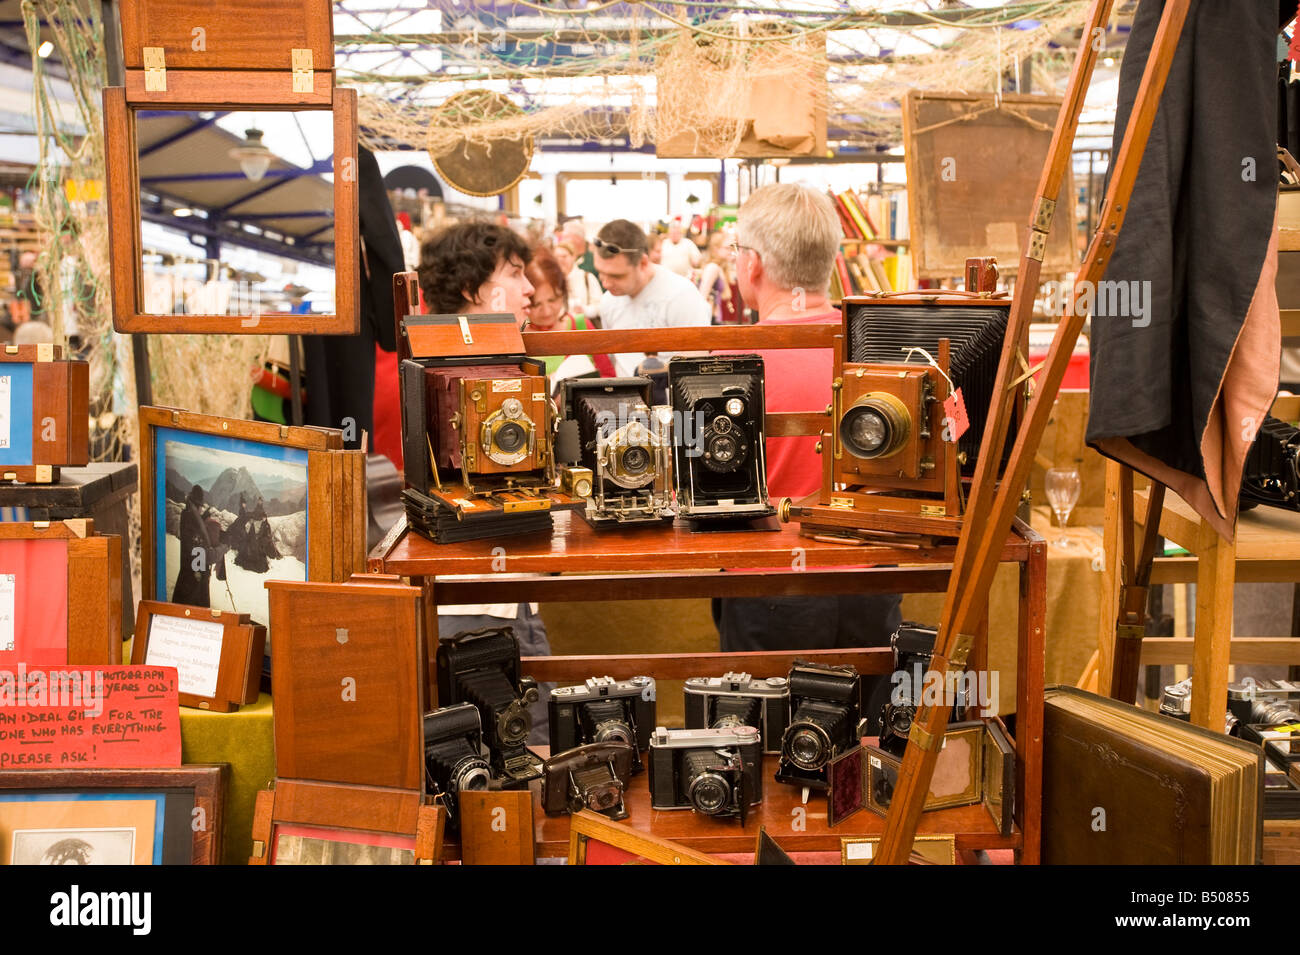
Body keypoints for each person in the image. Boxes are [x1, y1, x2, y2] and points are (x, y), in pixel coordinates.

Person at [712, 183, 902, 687]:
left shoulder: (729, 368)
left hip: (770, 586)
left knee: (772, 748)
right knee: (870, 744)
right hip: (872, 579)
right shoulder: (879, 353)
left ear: (752, 264)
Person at [416, 220, 552, 741]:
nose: (529, 290)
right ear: (475, 291)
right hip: (487, 605)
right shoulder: (483, 378)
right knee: (524, 749)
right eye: (515, 274)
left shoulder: (441, 365)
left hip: (490, 596)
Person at [592, 219, 711, 378]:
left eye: (616, 276)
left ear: (642, 263)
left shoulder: (682, 295)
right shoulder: (608, 301)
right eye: (600, 272)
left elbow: (696, 366)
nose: (605, 283)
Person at [523, 251, 616, 382]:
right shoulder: (518, 336)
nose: (546, 311)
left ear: (564, 293)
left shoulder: (581, 326)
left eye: (553, 300)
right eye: (536, 304)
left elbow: (609, 377)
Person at [172, 484, 214, 608]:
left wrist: (203, 517)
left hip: (189, 567)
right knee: (193, 601)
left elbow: (194, 528)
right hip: (194, 571)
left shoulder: (187, 514)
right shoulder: (191, 518)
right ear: (196, 505)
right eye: (200, 506)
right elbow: (196, 545)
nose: (201, 509)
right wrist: (199, 571)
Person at [552, 233, 602, 322]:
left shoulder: (587, 277)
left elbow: (600, 306)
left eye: (564, 256)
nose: (560, 260)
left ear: (573, 257)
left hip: (584, 329)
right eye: (556, 257)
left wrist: (585, 310)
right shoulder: (551, 281)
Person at [696, 230, 739, 325]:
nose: (730, 252)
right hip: (712, 320)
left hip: (716, 319)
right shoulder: (712, 268)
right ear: (716, 249)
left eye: (731, 248)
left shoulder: (720, 268)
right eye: (727, 248)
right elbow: (702, 298)